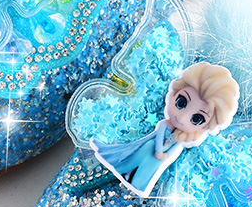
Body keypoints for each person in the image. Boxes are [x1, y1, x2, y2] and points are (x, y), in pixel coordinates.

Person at [91, 62, 240, 197]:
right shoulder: (164, 125)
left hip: (160, 158)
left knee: (155, 163)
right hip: (154, 150)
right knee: (148, 146)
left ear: (207, 126)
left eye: (197, 119)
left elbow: (174, 151)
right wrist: (159, 151)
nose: (182, 118)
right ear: (174, 94)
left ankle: (138, 182)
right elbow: (158, 139)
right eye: (181, 103)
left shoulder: (184, 139)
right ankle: (126, 170)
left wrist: (165, 155)